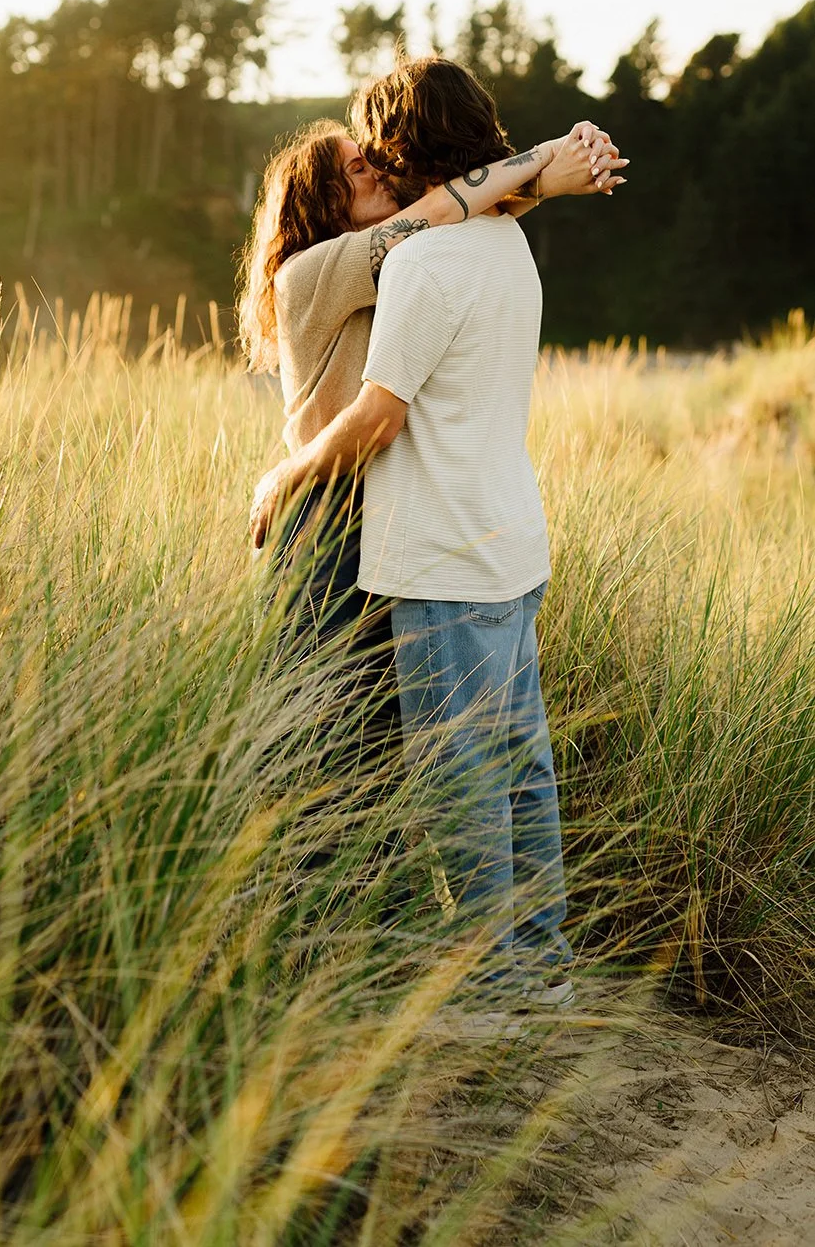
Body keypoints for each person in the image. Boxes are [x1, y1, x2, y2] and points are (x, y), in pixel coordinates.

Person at [248, 58, 628, 1027]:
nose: (373, 169)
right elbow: (453, 208)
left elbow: (457, 215)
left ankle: (470, 973)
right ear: (325, 205)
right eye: (354, 172)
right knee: (337, 745)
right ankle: (326, 948)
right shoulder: (316, 272)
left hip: (400, 526)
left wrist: (547, 167)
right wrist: (545, 160)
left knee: (424, 758)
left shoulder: (415, 252)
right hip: (329, 528)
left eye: (379, 160)